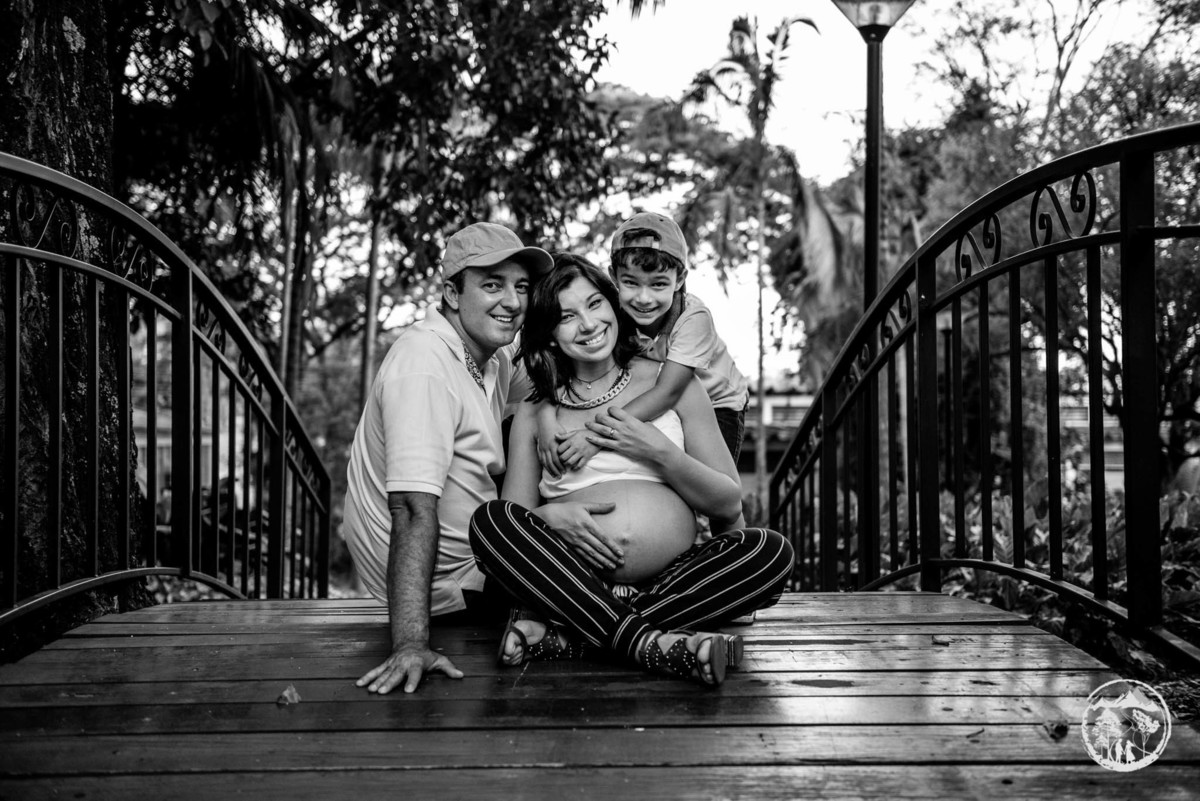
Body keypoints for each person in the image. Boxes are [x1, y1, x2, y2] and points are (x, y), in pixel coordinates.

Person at [469, 254, 793, 687]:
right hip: (575, 580)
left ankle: (577, 637)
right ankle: (649, 641)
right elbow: (515, 517)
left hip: (670, 580)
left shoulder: (672, 384)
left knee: (768, 551)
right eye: (567, 316)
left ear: (612, 303)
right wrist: (550, 517)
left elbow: (727, 502)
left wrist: (658, 452)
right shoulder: (535, 410)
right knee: (488, 522)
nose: (588, 324)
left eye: (594, 304)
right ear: (549, 333)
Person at [343, 222, 565, 695]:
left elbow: (562, 379)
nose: (513, 302)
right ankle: (640, 631)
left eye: (522, 287)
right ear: (451, 293)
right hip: (445, 586)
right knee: (595, 550)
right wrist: (410, 643)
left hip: (472, 558)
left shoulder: (489, 356)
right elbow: (410, 507)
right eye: (493, 285)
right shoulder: (424, 363)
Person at [538, 211, 749, 478]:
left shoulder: (693, 319)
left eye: (658, 284)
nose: (643, 298)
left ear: (680, 279)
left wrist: (594, 437)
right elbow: (563, 367)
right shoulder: (611, 313)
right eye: (631, 283)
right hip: (658, 395)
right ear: (614, 277)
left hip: (718, 403)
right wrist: (545, 416)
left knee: (707, 479)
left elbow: (667, 392)